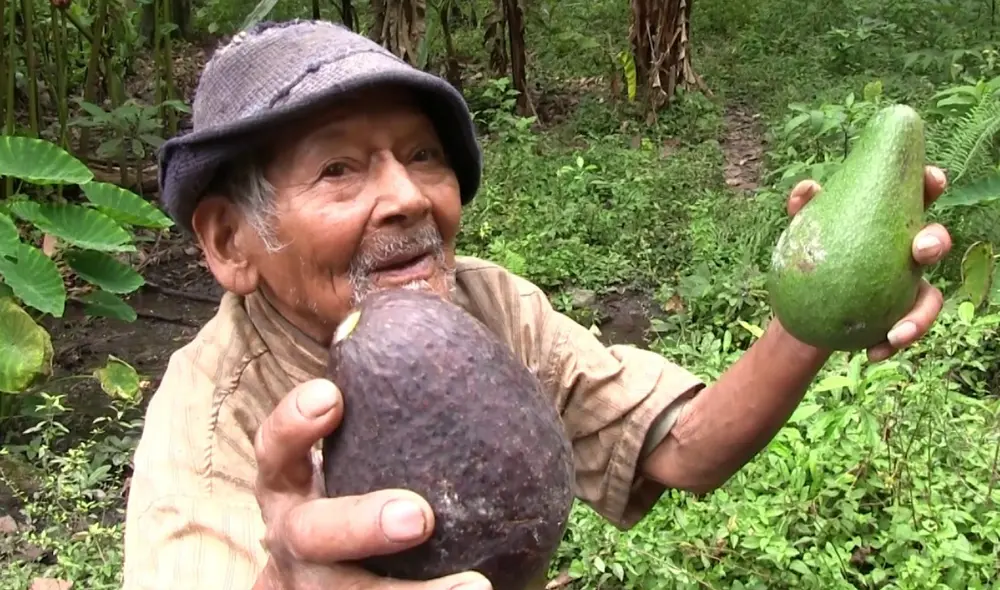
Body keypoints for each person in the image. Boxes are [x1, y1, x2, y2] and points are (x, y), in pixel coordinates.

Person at [122, 18, 952, 590]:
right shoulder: (210, 421)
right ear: (231, 242)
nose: (408, 195)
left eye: (422, 154)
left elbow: (685, 451)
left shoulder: (484, 303)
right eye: (339, 170)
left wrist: (819, 301)